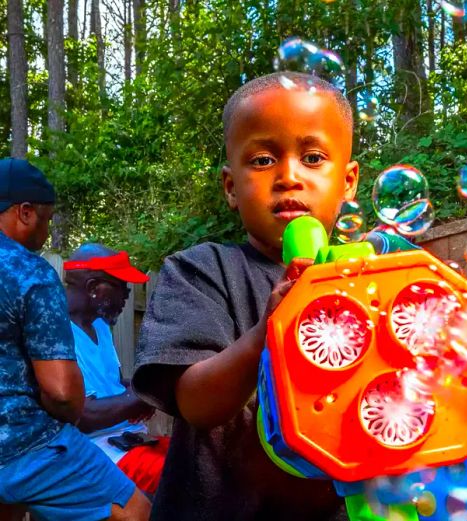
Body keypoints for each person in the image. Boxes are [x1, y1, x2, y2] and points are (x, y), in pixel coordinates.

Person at [132, 71, 359, 520]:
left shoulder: (367, 278)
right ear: (231, 187)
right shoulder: (200, 270)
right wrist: (269, 330)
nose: (289, 176)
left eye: (313, 157)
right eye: (261, 160)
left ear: (348, 181)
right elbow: (196, 404)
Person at [0, 158, 150, 521]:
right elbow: (65, 396)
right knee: (135, 510)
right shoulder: (28, 272)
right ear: (24, 212)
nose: (47, 231)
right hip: (24, 443)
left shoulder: (100, 329)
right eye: (47, 219)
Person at [64, 243, 169, 496]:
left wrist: (143, 388)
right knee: (186, 477)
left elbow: (113, 385)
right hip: (99, 453)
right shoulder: (57, 334)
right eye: (121, 286)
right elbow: (84, 416)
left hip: (128, 440)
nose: (126, 295)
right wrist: (141, 398)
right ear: (93, 288)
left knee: (201, 458)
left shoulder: (99, 326)